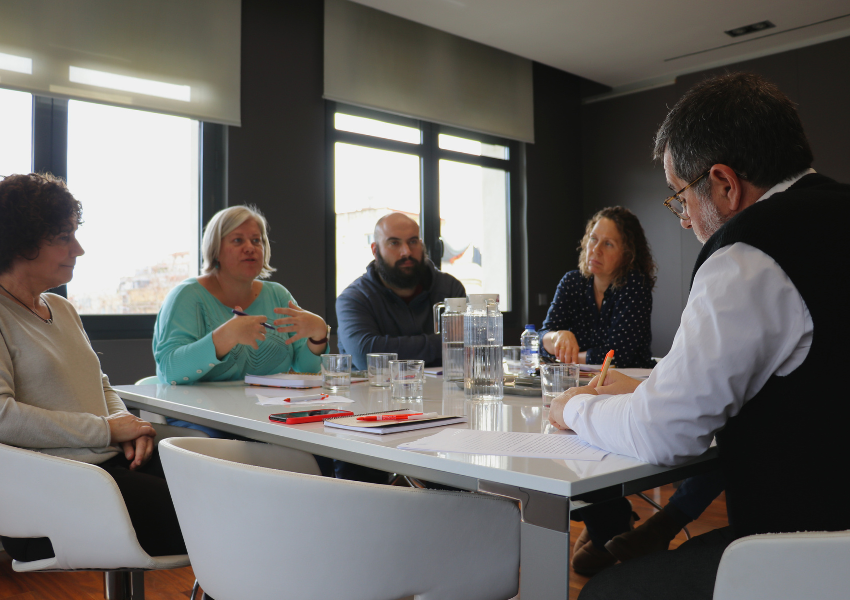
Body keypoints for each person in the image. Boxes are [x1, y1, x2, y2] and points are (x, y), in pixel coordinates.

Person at [550, 72, 850, 599]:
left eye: (680, 196)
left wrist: (572, 407)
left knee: (605, 592)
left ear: (726, 184)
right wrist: (650, 386)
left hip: (810, 555)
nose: (684, 219)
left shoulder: (747, 256)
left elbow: (664, 435)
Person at [0, 172, 185, 562]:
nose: (78, 249)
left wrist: (127, 426)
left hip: (107, 463)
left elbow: (100, 384)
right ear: (20, 242)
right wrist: (106, 429)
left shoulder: (62, 308)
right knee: (218, 518)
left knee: (230, 490)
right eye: (64, 237)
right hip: (56, 488)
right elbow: (2, 416)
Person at [152, 205, 330, 437]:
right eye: (237, 241)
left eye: (256, 241)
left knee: (325, 439)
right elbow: (169, 371)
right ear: (216, 249)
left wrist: (318, 336)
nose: (250, 248)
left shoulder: (278, 295)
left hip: (270, 416)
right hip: (204, 418)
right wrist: (226, 336)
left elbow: (304, 370)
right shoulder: (187, 296)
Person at [336, 212, 466, 371]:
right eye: (394, 243)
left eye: (413, 241)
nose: (406, 252)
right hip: (375, 393)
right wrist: (443, 343)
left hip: (445, 393)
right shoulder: (354, 298)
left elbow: (467, 347)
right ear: (375, 251)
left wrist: (387, 348)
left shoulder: (450, 289)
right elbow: (366, 358)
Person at [539, 206, 656, 368]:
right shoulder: (572, 281)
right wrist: (557, 337)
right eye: (593, 239)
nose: (596, 249)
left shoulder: (635, 286)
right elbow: (541, 339)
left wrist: (564, 358)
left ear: (627, 254)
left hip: (628, 383)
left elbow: (617, 356)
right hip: (580, 380)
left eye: (608, 244)